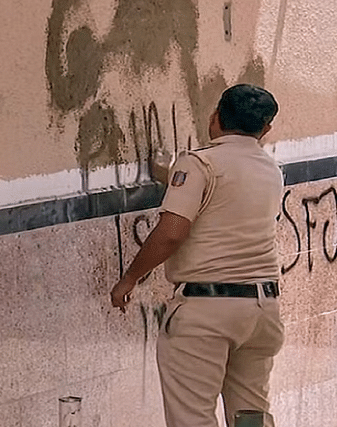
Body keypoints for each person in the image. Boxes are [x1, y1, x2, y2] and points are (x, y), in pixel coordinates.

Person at [110, 84, 284, 427]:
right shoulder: (270, 169)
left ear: (215, 118)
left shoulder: (199, 163)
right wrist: (174, 179)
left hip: (208, 313)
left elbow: (172, 232)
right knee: (250, 416)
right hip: (263, 312)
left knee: (193, 417)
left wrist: (129, 279)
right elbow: (225, 206)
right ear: (265, 130)